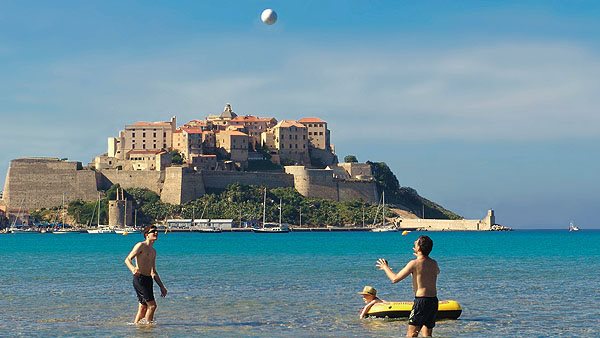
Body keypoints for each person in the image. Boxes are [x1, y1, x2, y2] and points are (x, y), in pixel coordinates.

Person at [376, 235, 440, 337]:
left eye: (416, 242)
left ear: (418, 248)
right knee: (427, 334)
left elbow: (395, 279)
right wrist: (420, 256)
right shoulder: (434, 263)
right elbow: (436, 272)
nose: (414, 242)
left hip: (421, 301)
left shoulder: (414, 263)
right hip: (433, 301)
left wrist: (385, 267)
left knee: (411, 335)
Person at [124, 225, 168, 324]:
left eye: (157, 231)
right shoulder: (141, 245)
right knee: (152, 306)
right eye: (153, 231)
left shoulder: (153, 251)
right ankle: (148, 328)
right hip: (139, 279)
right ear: (147, 235)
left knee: (143, 306)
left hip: (148, 280)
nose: (156, 233)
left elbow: (153, 271)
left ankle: (137, 327)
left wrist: (162, 287)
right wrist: (133, 269)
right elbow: (127, 259)